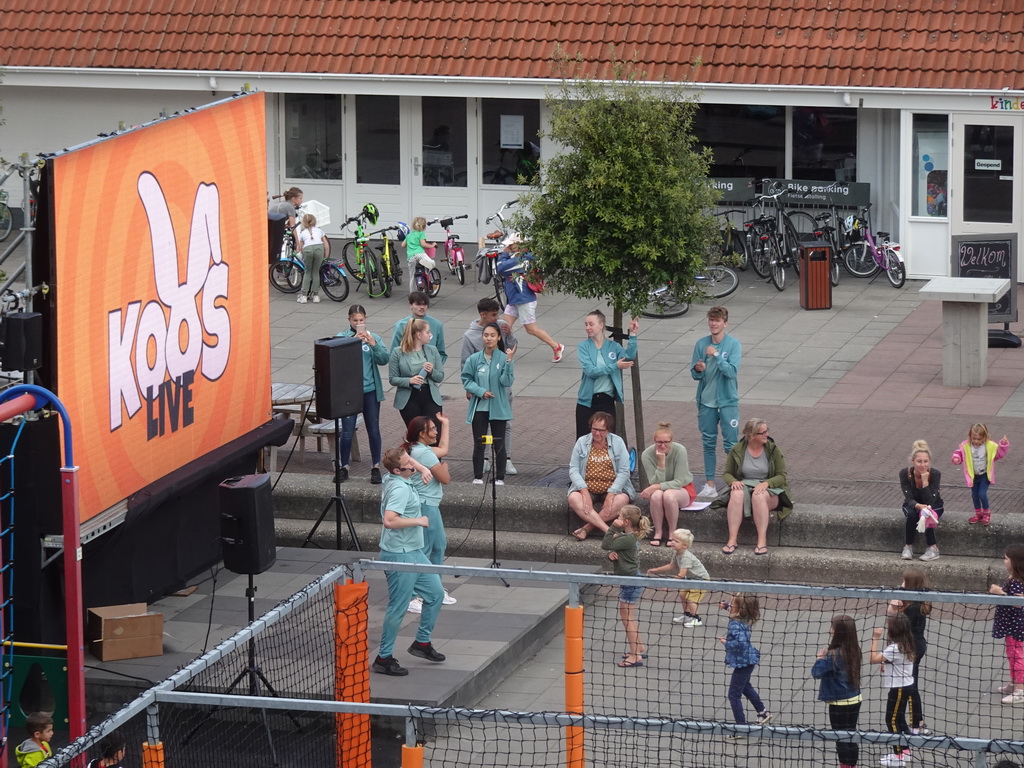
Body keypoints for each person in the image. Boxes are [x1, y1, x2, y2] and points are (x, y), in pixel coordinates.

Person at [372, 447, 446, 677]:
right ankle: (383, 657)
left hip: (414, 550)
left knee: (435, 594)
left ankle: (421, 643)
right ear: (397, 470)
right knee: (398, 607)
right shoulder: (399, 490)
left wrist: (422, 466)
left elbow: (410, 460)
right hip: (399, 554)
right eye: (409, 466)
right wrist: (419, 521)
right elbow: (389, 521)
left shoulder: (394, 475)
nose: (413, 467)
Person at [402, 414, 458, 613]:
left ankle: (435, 590)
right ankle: (412, 596)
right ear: (422, 434)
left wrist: (446, 424)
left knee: (438, 546)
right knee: (424, 549)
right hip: (425, 506)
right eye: (433, 429)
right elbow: (445, 478)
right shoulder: (424, 454)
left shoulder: (419, 449)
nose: (436, 432)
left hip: (430, 504)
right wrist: (444, 468)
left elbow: (443, 449)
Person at [718, 418, 793, 557]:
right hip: (745, 487)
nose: (766, 434)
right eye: (762, 432)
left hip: (770, 490)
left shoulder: (773, 449)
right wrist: (733, 481)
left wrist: (766, 483)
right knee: (736, 493)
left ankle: (761, 540)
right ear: (751, 435)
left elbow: (782, 475)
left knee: (758, 496)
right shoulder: (737, 450)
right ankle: (732, 539)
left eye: (767, 430)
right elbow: (727, 473)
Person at [462, 297, 519, 474]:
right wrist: (471, 390)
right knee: (482, 427)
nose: (497, 318)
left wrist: (509, 334)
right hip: (481, 391)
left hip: (501, 388)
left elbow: (512, 347)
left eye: (497, 314)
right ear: (483, 315)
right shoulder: (470, 336)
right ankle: (485, 459)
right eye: (493, 315)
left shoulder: (501, 326)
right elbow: (466, 364)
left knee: (505, 425)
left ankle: (506, 458)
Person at [690, 306, 742, 499]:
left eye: (718, 320)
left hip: (727, 401)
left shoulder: (733, 345)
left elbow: (731, 372)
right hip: (706, 403)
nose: (714, 323)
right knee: (708, 443)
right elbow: (694, 374)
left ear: (725, 323)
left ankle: (734, 483)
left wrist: (717, 355)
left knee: (731, 444)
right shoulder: (701, 344)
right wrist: (698, 368)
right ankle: (710, 484)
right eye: (711, 320)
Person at [335, 305, 389, 484]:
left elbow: (384, 359)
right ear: (349, 320)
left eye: (361, 320)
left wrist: (373, 344)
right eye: (355, 320)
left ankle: (375, 466)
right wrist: (353, 342)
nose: (359, 323)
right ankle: (343, 467)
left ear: (365, 319)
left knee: (373, 430)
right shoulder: (342, 338)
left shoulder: (373, 337)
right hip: (350, 392)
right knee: (347, 432)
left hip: (370, 391)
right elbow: (337, 361)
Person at [568, 411, 636, 540]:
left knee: (622, 500)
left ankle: (587, 528)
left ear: (608, 430)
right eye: (594, 429)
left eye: (601, 430)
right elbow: (573, 469)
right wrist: (584, 491)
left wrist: (611, 494)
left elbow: (624, 471)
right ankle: (607, 530)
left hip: (613, 487)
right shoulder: (582, 442)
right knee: (573, 498)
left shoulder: (618, 442)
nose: (597, 434)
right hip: (587, 485)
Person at [575, 310, 639, 438]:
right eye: (586, 324)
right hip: (587, 402)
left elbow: (629, 357)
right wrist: (615, 366)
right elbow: (590, 371)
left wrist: (632, 334)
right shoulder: (583, 347)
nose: (587, 328)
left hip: (606, 401)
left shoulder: (613, 346)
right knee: (584, 440)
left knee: (608, 439)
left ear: (601, 325)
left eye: (591, 324)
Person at [497, 241, 564, 363]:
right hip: (515, 299)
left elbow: (501, 268)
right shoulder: (520, 257)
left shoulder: (521, 260)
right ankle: (504, 352)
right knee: (504, 327)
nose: (509, 246)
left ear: (519, 245)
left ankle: (556, 346)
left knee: (531, 329)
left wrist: (504, 254)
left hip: (524, 300)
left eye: (511, 244)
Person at [601, 504, 651, 668]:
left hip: (630, 581)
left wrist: (614, 526)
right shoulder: (629, 536)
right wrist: (611, 556)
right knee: (629, 618)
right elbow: (613, 549)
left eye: (620, 517)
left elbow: (606, 543)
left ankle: (635, 655)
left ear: (627, 521)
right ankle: (639, 647)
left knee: (627, 618)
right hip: (630, 579)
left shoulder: (627, 538)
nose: (617, 519)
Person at [812, 615, 863, 768]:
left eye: (832, 627)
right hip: (855, 699)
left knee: (840, 738)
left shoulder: (833, 655)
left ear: (838, 632)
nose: (830, 630)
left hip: (839, 703)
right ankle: (852, 765)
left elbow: (816, 673)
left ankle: (845, 766)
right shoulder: (854, 649)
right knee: (851, 735)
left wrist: (820, 658)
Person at [887, 568, 932, 735]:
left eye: (904, 581)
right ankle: (916, 722)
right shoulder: (917, 601)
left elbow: (892, 615)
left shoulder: (912, 607)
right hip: (915, 646)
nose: (902, 583)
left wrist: (897, 595)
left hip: (911, 648)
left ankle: (916, 723)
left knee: (910, 684)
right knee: (911, 682)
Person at [718, 593, 772, 733]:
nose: (730, 605)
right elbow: (735, 609)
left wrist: (726, 643)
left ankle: (741, 726)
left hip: (744, 662)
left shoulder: (736, 624)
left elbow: (740, 643)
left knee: (733, 694)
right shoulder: (744, 617)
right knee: (745, 686)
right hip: (748, 660)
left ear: (739, 609)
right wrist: (726, 606)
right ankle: (762, 712)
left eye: (732, 604)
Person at [639, 421, 696, 546]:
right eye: (659, 442)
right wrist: (661, 463)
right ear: (654, 441)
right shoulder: (647, 455)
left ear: (671, 441)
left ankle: (672, 533)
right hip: (659, 490)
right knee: (656, 495)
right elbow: (654, 481)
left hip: (683, 489)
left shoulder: (680, 450)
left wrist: (656, 486)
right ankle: (658, 532)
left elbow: (679, 481)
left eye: (666, 442)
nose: (663, 446)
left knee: (669, 495)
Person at [871, 614, 917, 767]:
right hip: (907, 685)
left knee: (891, 720)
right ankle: (905, 751)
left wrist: (875, 637)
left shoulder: (894, 648)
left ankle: (898, 755)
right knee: (900, 718)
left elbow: (873, 658)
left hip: (898, 688)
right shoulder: (907, 643)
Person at [646, 528, 710, 628]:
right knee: (682, 595)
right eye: (672, 540)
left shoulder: (686, 557)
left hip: (701, 580)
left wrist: (669, 585)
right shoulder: (676, 553)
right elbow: (671, 565)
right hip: (691, 580)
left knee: (691, 599)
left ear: (685, 545)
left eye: (676, 541)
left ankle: (697, 619)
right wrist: (656, 570)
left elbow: (681, 574)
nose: (673, 542)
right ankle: (687, 615)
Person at [389, 318, 444, 429]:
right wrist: (409, 381)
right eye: (428, 332)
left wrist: (431, 371)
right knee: (416, 434)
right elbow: (392, 379)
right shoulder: (397, 352)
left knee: (434, 431)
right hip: (409, 397)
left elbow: (440, 377)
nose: (430, 335)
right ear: (419, 335)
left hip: (429, 394)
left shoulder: (432, 350)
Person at [951, 423, 1010, 526]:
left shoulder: (989, 446)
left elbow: (999, 453)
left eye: (979, 439)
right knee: (974, 495)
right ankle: (978, 513)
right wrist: (956, 458)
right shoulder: (966, 445)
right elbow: (959, 453)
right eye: (974, 439)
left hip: (984, 475)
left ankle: (986, 513)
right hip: (973, 476)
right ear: (970, 436)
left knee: (982, 494)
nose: (976, 441)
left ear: (985, 437)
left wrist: (1003, 444)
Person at [990, 543, 1024, 705]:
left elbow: (1018, 602)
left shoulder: (1017, 581)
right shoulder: (1013, 578)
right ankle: (1014, 682)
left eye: (1006, 558)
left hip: (1016, 624)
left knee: (1017, 654)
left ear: (1015, 561)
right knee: (1011, 653)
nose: (1004, 561)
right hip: (1011, 623)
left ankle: (1020, 689)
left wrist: (1001, 593)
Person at [899, 440, 943, 562]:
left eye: (925, 461)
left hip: (933, 504)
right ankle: (908, 546)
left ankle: (933, 548)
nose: (922, 465)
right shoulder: (905, 473)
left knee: (927, 514)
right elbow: (908, 497)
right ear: (913, 462)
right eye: (919, 461)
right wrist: (917, 506)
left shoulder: (935, 474)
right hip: (913, 503)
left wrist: (925, 482)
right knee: (912, 515)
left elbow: (930, 500)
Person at [391, 292, 447, 365]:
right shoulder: (401, 325)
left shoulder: (437, 325)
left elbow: (441, 353)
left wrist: (435, 366)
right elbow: (394, 352)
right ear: (410, 305)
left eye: (424, 304)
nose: (422, 307)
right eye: (418, 304)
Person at [294, 213, 329, 304]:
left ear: (304, 223)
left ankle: (304, 296)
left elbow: (300, 247)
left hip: (308, 250)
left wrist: (302, 254)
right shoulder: (320, 231)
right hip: (319, 249)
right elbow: (326, 245)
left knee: (308, 272)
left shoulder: (302, 233)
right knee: (315, 272)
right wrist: (326, 256)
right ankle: (316, 296)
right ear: (315, 222)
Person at [401, 216, 437, 293]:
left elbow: (402, 245)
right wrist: (432, 245)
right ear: (423, 227)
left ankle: (412, 294)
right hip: (420, 254)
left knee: (412, 277)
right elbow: (423, 244)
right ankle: (427, 267)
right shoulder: (421, 234)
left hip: (411, 257)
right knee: (432, 263)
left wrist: (408, 243)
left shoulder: (409, 235)